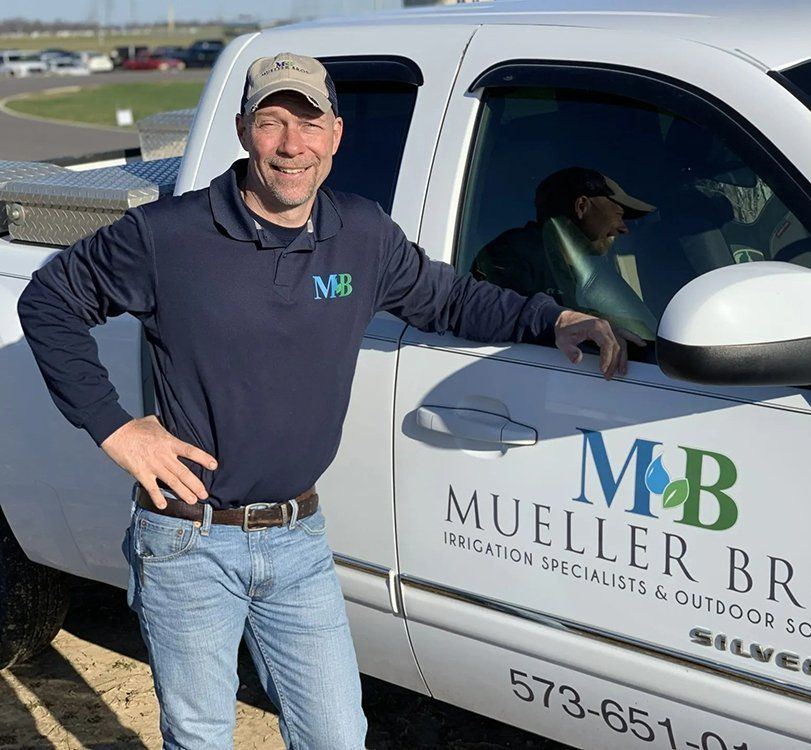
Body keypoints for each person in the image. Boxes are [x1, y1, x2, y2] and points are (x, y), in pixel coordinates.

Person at [16, 53, 635, 750]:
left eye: (308, 123)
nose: (291, 146)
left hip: (299, 539)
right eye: (273, 122)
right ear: (246, 129)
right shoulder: (170, 236)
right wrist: (116, 428)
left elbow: (449, 298)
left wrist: (550, 319)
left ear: (336, 134)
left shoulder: (362, 234)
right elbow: (49, 301)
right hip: (188, 540)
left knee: (338, 735)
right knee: (200, 736)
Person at [472, 166, 660, 339]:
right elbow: (508, 316)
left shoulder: (581, 266)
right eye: (619, 215)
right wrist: (587, 323)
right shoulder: (513, 254)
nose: (624, 229)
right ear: (581, 206)